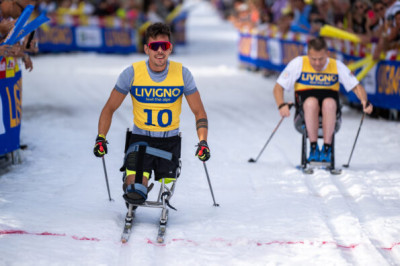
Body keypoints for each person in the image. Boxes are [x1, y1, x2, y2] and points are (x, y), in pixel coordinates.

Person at [93, 22, 210, 203]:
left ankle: (157, 185)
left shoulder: (182, 74)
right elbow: (109, 108)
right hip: (141, 141)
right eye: (155, 46)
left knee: (167, 186)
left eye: (165, 46)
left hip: (169, 142)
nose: (160, 51)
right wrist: (101, 137)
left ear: (170, 49)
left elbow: (199, 111)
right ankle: (135, 184)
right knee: (135, 190)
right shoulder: (132, 73)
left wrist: (203, 142)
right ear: (147, 49)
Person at [273, 36, 373, 163]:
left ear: (327, 54)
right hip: (304, 113)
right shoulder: (298, 63)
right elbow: (278, 87)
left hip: (331, 112)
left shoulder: (336, 65)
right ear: (308, 54)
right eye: (313, 59)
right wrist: (281, 105)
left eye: (321, 59)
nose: (317, 63)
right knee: (311, 102)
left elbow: (356, 87)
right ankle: (313, 148)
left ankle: (327, 149)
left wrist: (364, 101)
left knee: (329, 103)